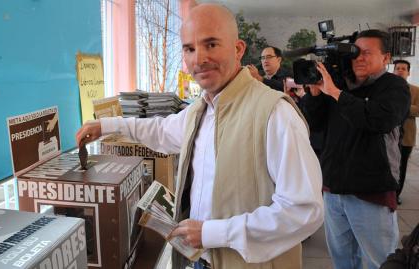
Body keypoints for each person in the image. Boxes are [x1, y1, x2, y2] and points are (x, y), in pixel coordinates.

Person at [76, 4, 323, 269]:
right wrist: (106, 125)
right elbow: (161, 130)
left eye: (211, 44)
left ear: (238, 49)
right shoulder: (201, 109)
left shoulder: (274, 113)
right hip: (198, 260)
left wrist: (212, 233)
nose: (199, 58)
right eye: (189, 49)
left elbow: (303, 210)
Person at [303, 29, 411, 269]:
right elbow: (316, 124)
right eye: (355, 53)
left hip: (371, 192)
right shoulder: (340, 85)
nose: (359, 58)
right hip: (333, 190)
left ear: (386, 58)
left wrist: (334, 92)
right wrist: (315, 95)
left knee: (382, 261)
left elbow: (377, 120)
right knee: (342, 260)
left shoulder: (394, 87)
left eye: (367, 53)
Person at [393, 59, 419, 205]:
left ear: (408, 72)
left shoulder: (415, 90)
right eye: (398, 68)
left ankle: (397, 194)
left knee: (401, 166)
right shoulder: (386, 89)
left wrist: (402, 106)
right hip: (388, 135)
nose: (400, 71)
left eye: (404, 68)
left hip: (406, 136)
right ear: (393, 70)